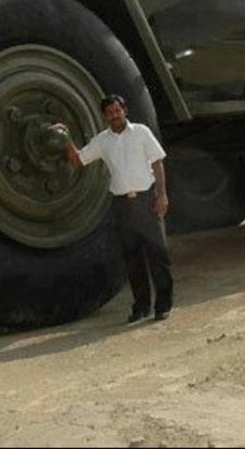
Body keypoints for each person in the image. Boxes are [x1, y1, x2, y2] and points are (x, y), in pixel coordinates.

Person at [52, 94, 173, 323]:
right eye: (109, 112)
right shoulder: (102, 141)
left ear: (125, 110)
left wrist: (162, 194)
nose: (114, 115)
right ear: (105, 116)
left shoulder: (141, 132)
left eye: (117, 110)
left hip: (146, 200)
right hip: (122, 205)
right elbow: (78, 160)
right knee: (132, 258)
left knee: (158, 255)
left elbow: (157, 161)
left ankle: (163, 305)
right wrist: (66, 138)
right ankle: (141, 307)